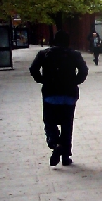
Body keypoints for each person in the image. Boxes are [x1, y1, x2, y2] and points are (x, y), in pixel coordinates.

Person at [29, 31, 88, 167]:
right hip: (69, 94)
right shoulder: (74, 54)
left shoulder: (44, 54)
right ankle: (66, 156)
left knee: (49, 122)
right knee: (67, 125)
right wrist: (74, 82)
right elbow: (84, 71)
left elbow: (33, 69)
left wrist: (42, 80)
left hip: (51, 94)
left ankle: (55, 143)